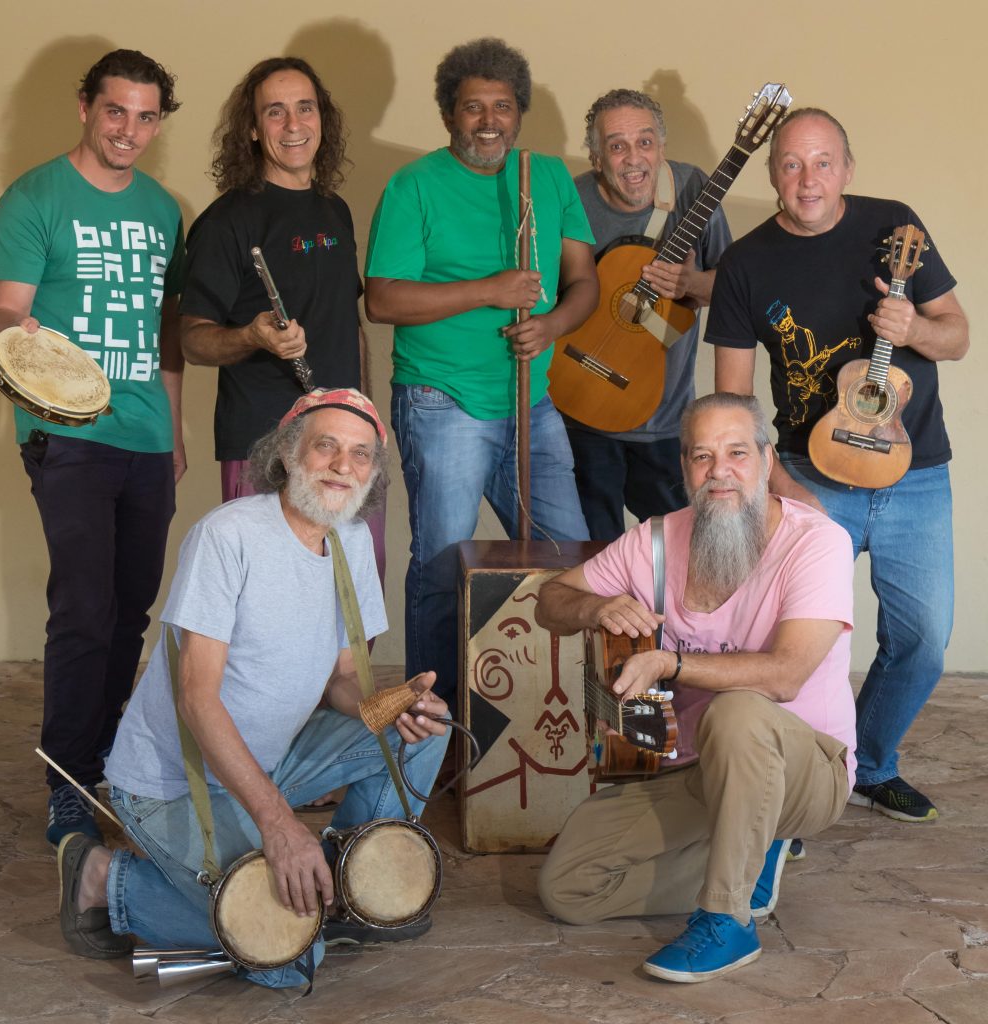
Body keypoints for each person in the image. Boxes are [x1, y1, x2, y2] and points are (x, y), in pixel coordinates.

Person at [55, 388, 450, 990]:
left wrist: (393, 706)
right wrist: (279, 824)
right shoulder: (228, 535)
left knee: (425, 732)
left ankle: (344, 884)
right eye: (326, 446)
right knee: (291, 959)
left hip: (269, 761)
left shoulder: (350, 541)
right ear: (288, 454)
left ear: (373, 472)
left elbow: (342, 679)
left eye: (361, 454)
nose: (343, 465)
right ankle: (106, 879)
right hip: (176, 784)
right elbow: (196, 698)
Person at [535, 392, 855, 983]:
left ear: (766, 459)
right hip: (698, 767)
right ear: (684, 466)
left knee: (738, 712)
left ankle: (727, 918)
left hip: (806, 771)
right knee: (569, 888)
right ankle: (751, 854)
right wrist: (597, 607)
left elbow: (785, 675)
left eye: (737, 452)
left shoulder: (817, 542)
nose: (719, 471)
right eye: (702, 456)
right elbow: (551, 600)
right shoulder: (656, 540)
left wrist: (670, 663)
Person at [706, 108, 969, 823]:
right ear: (773, 174)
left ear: (847, 168)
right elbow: (732, 401)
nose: (808, 179)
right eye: (791, 164)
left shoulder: (895, 228)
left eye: (823, 162)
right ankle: (791, 790)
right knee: (792, 644)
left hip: (914, 474)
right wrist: (780, 486)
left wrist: (915, 328)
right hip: (809, 474)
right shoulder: (746, 264)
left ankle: (868, 765)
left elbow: (957, 336)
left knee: (922, 641)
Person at [0, 49, 187, 846]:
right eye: (115, 111)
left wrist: (174, 430)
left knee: (130, 611)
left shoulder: (165, 211)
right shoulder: (34, 198)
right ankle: (67, 781)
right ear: (85, 107)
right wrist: (15, 337)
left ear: (158, 123)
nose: (128, 129)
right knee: (84, 609)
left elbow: (165, 333)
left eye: (145, 116)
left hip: (146, 434)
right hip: (68, 436)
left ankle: (101, 759)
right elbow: (3, 313)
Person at [365, 37, 598, 703]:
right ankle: (434, 718)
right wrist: (489, 290)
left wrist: (552, 325)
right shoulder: (413, 185)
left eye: (502, 106)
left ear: (519, 112)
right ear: (449, 114)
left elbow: (583, 281)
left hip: (532, 402)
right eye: (473, 107)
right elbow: (382, 299)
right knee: (443, 566)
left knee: (571, 558)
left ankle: (558, 723)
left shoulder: (548, 176)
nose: (489, 120)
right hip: (444, 400)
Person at [179, 57, 387, 579]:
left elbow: (347, 324)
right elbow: (193, 340)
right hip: (266, 446)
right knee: (268, 596)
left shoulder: (335, 210)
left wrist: (365, 417)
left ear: (322, 120)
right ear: (252, 128)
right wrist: (253, 336)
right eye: (275, 112)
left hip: (345, 443)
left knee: (351, 593)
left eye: (305, 108)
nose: (293, 124)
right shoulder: (226, 221)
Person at [566, 89, 731, 540]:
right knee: (593, 556)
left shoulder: (693, 189)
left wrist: (690, 284)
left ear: (661, 146)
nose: (634, 158)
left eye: (645, 142)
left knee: (675, 556)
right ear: (596, 157)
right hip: (581, 413)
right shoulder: (572, 200)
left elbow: (734, 286)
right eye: (617, 146)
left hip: (665, 421)